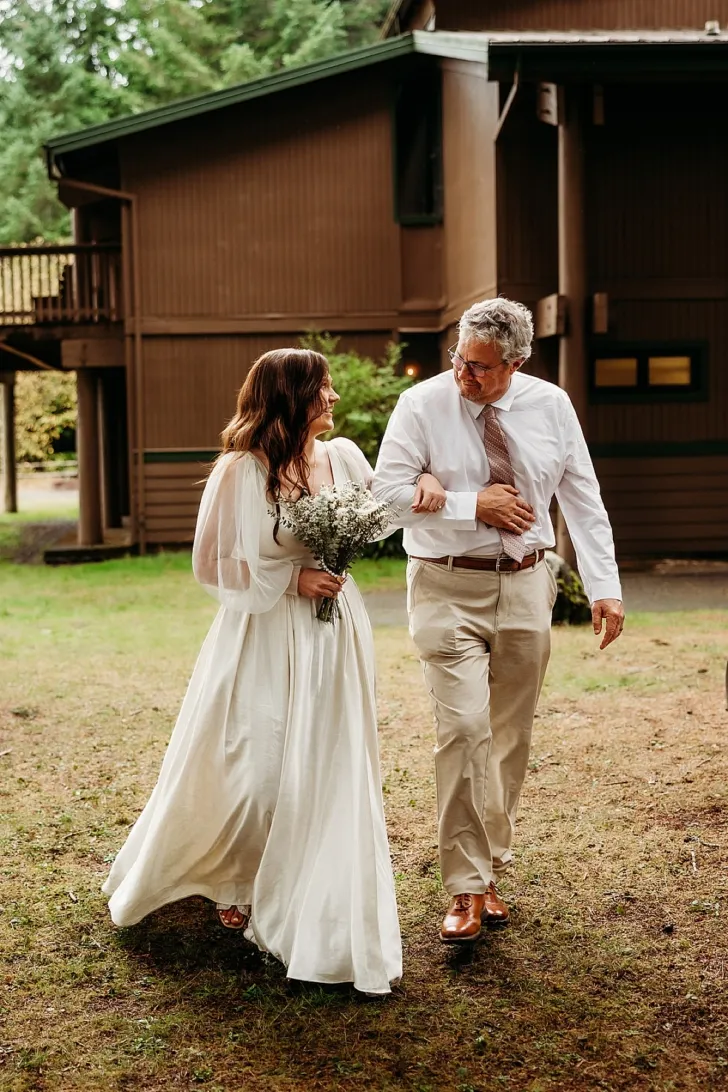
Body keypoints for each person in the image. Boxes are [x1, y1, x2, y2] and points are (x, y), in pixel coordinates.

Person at [103, 347, 416, 995]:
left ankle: (304, 887)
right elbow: (213, 565)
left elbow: (383, 515)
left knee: (325, 763)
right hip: (263, 633)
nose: (332, 398)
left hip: (334, 633)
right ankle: (236, 875)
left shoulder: (345, 457)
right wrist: (289, 578)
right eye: (322, 389)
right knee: (258, 766)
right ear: (291, 398)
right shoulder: (240, 471)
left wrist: (430, 494)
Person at [372, 297, 624, 944]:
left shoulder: (551, 406)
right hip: (444, 583)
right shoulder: (422, 405)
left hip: (526, 585)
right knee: (461, 730)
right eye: (460, 358)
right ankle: (462, 886)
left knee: (508, 738)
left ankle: (489, 872)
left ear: (516, 362)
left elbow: (582, 496)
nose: (466, 375)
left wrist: (605, 587)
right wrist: (469, 505)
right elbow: (384, 499)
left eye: (481, 367)